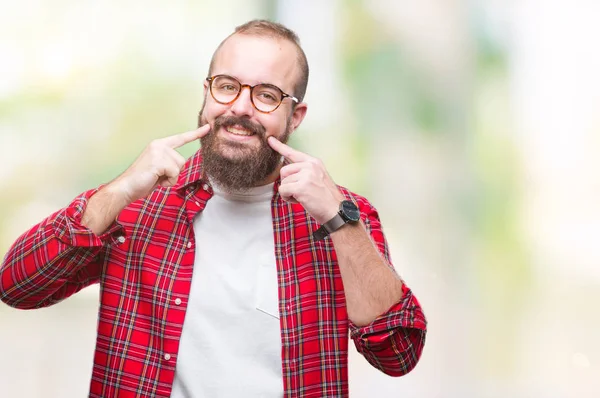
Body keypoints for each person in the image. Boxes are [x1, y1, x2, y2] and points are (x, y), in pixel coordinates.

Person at [0, 19, 426, 398]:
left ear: (295, 117)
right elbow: (17, 287)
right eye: (227, 86)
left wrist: (338, 219)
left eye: (266, 95)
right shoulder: (137, 205)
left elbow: (399, 355)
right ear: (207, 94)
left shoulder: (343, 216)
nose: (240, 107)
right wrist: (122, 188)